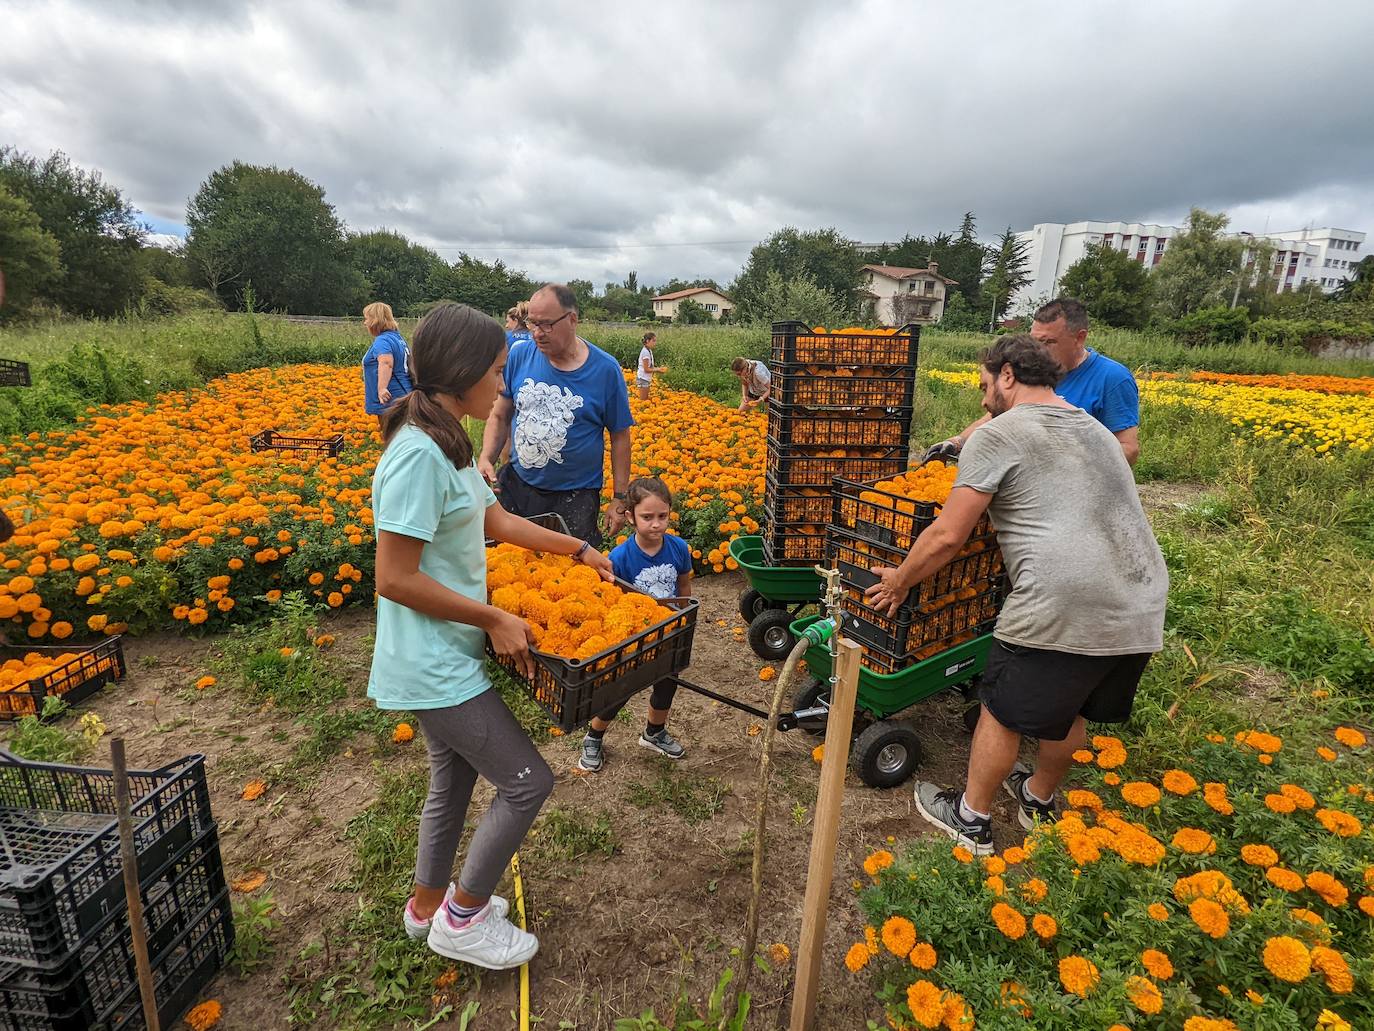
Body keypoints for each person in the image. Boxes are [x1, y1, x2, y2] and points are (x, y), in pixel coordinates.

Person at [370, 302, 615, 969]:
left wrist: (577, 548)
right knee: (529, 781)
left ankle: (427, 907)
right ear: (464, 371)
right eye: (499, 371)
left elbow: (498, 522)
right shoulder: (416, 454)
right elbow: (392, 577)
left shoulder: (447, 441)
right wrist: (494, 617)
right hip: (430, 663)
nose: (505, 386)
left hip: (444, 654)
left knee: (451, 780)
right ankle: (464, 916)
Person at [866, 335, 1167, 856]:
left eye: (985, 386)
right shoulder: (1096, 430)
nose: (983, 401)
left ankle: (971, 818)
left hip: (1064, 597)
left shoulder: (999, 434)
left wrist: (898, 580)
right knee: (1071, 709)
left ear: (1008, 375)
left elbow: (946, 536)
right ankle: (1037, 799)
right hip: (1140, 594)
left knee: (1001, 711)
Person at [477, 284, 635, 548]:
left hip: (575, 496)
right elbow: (500, 416)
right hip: (517, 484)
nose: (537, 333)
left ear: (572, 319)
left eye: (546, 325)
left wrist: (619, 498)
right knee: (503, 558)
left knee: (571, 568)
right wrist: (485, 458)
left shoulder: (605, 370)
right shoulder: (519, 355)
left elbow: (620, 436)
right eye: (532, 323)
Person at [924, 298, 1141, 466]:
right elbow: (996, 415)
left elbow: (1128, 449)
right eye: (1034, 342)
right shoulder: (1031, 370)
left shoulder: (1112, 378)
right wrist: (957, 442)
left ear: (1080, 337)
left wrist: (1066, 462)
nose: (1039, 351)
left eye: (1048, 342)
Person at [578, 477, 693, 772]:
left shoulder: (678, 548)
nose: (656, 524)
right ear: (630, 517)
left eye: (662, 516)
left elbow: (683, 585)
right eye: (647, 517)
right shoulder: (620, 557)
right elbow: (613, 601)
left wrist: (682, 616)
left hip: (669, 632)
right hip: (634, 636)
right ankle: (594, 735)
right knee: (621, 688)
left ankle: (654, 732)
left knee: (667, 683)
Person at [362, 302, 414, 429]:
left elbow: (386, 363)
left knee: (393, 438)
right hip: (403, 395)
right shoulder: (397, 338)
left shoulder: (383, 340)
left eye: (367, 318)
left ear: (376, 320)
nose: (365, 323)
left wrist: (382, 389)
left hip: (391, 400)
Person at [635, 332, 667, 401]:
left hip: (645, 378)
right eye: (653, 340)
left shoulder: (648, 350)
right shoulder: (645, 352)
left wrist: (658, 368)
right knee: (643, 400)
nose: (655, 343)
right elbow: (646, 369)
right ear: (647, 341)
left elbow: (650, 366)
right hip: (643, 378)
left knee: (645, 400)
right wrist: (658, 370)